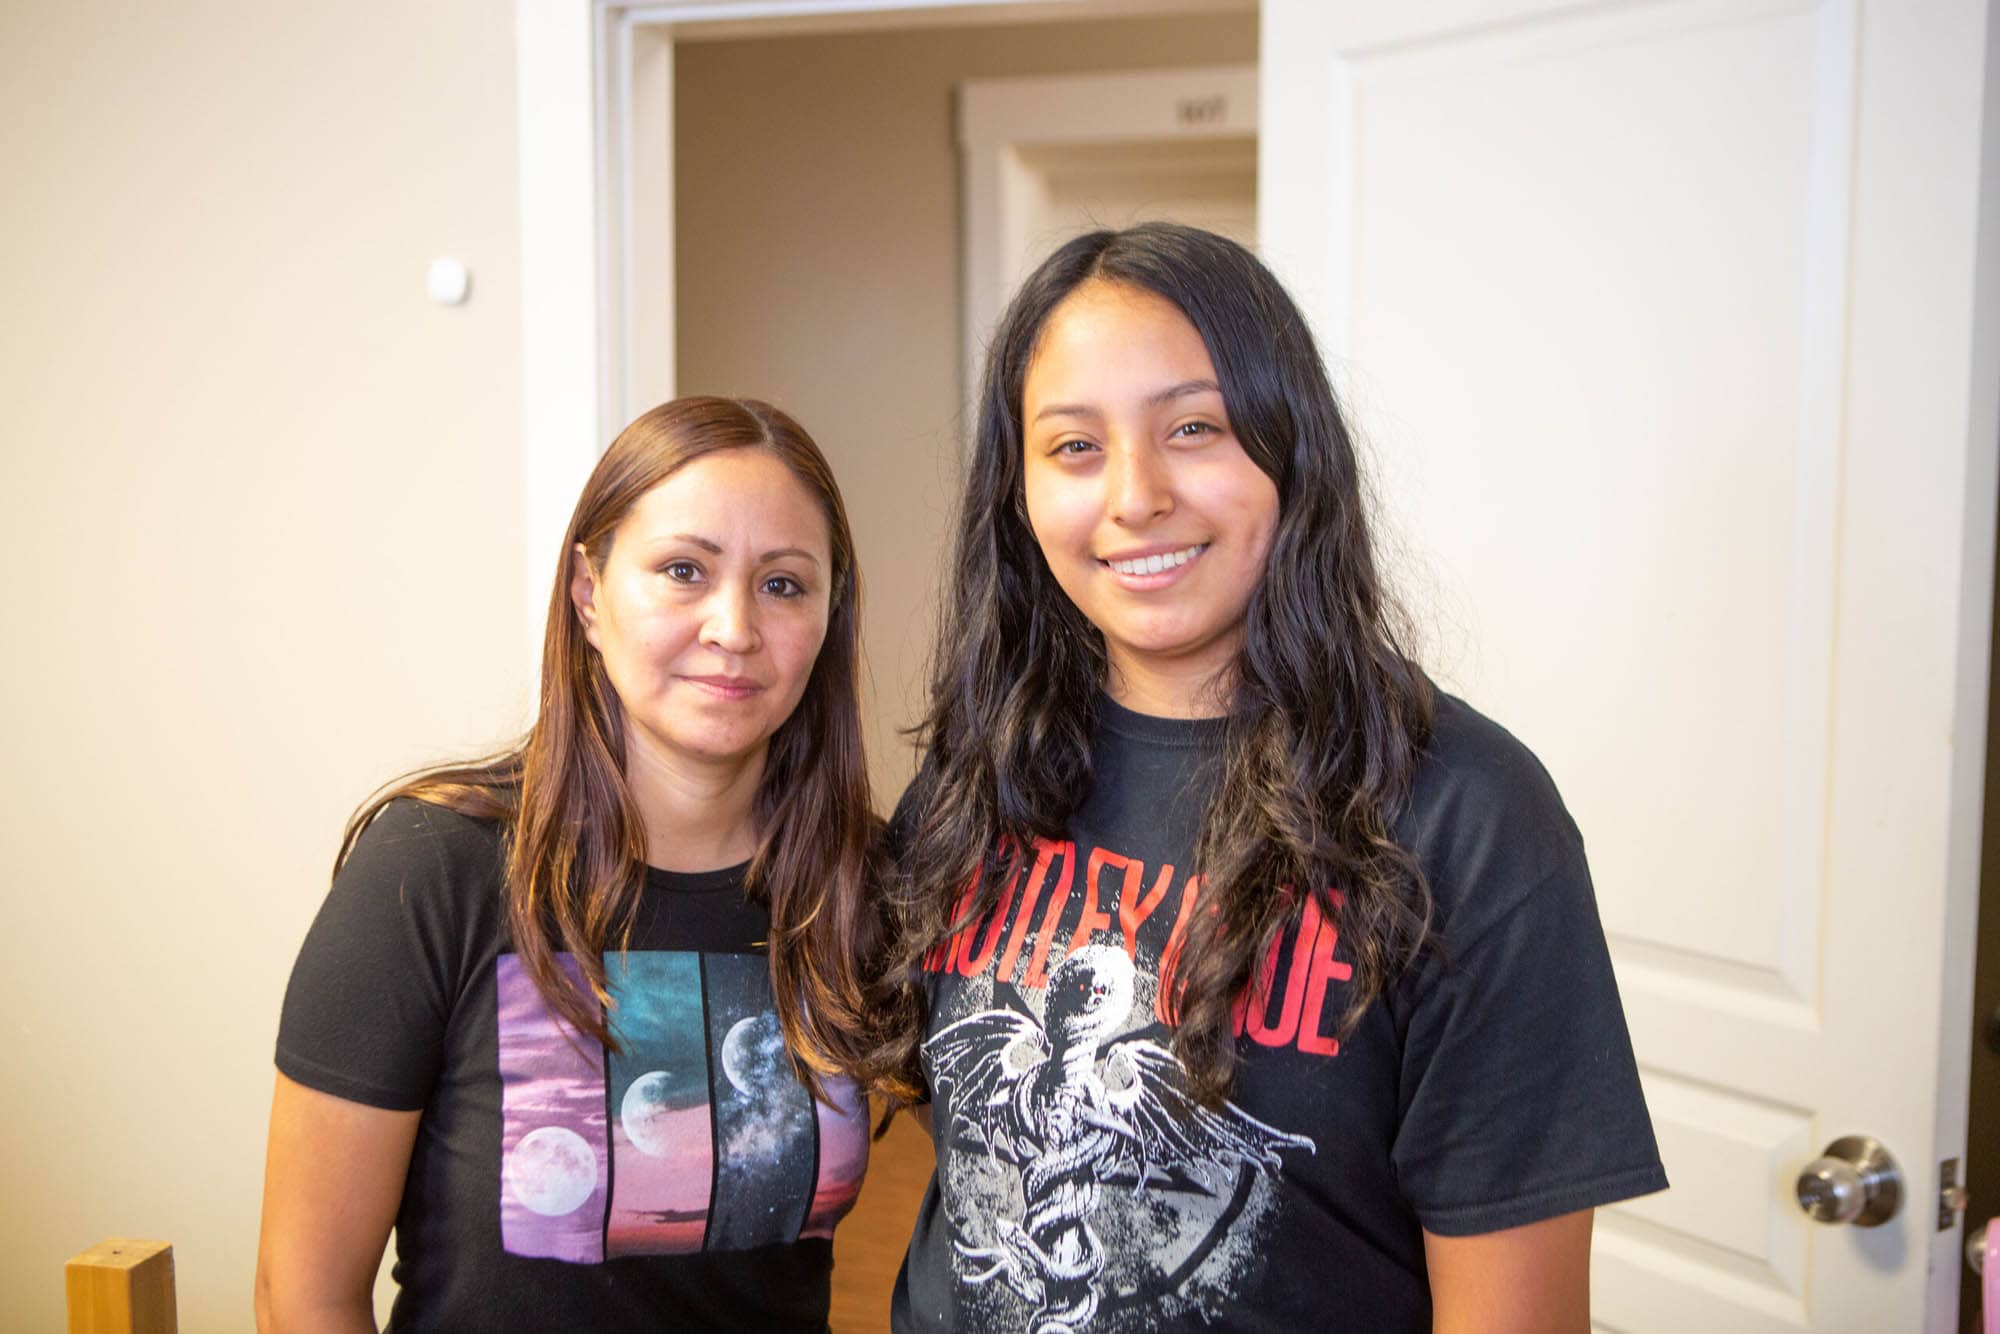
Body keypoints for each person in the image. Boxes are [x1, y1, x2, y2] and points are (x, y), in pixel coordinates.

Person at [877, 223, 1667, 1333]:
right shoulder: (983, 770)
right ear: (1017, 494)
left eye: (1192, 427)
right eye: (1072, 447)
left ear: (1288, 449)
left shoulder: (1464, 814)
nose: (1135, 494)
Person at [256, 397, 883, 1333]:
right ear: (590, 595)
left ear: (830, 615)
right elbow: (302, 1296)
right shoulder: (434, 868)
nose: (735, 628)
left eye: (784, 585)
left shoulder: (865, 884)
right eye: (683, 570)